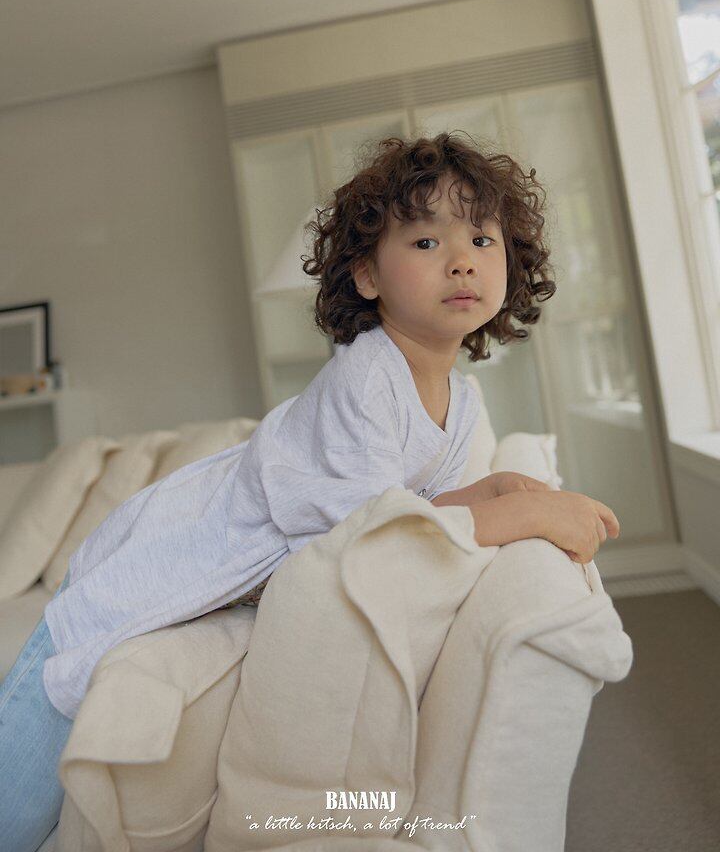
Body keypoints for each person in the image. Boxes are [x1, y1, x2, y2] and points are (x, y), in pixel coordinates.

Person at [0, 131, 620, 850]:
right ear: (367, 275)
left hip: (220, 563)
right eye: (425, 242)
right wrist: (526, 511)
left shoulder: (461, 401)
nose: (461, 260)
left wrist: (497, 490)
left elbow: (415, 521)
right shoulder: (369, 375)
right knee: (19, 801)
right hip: (159, 555)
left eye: (482, 239)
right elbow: (377, 531)